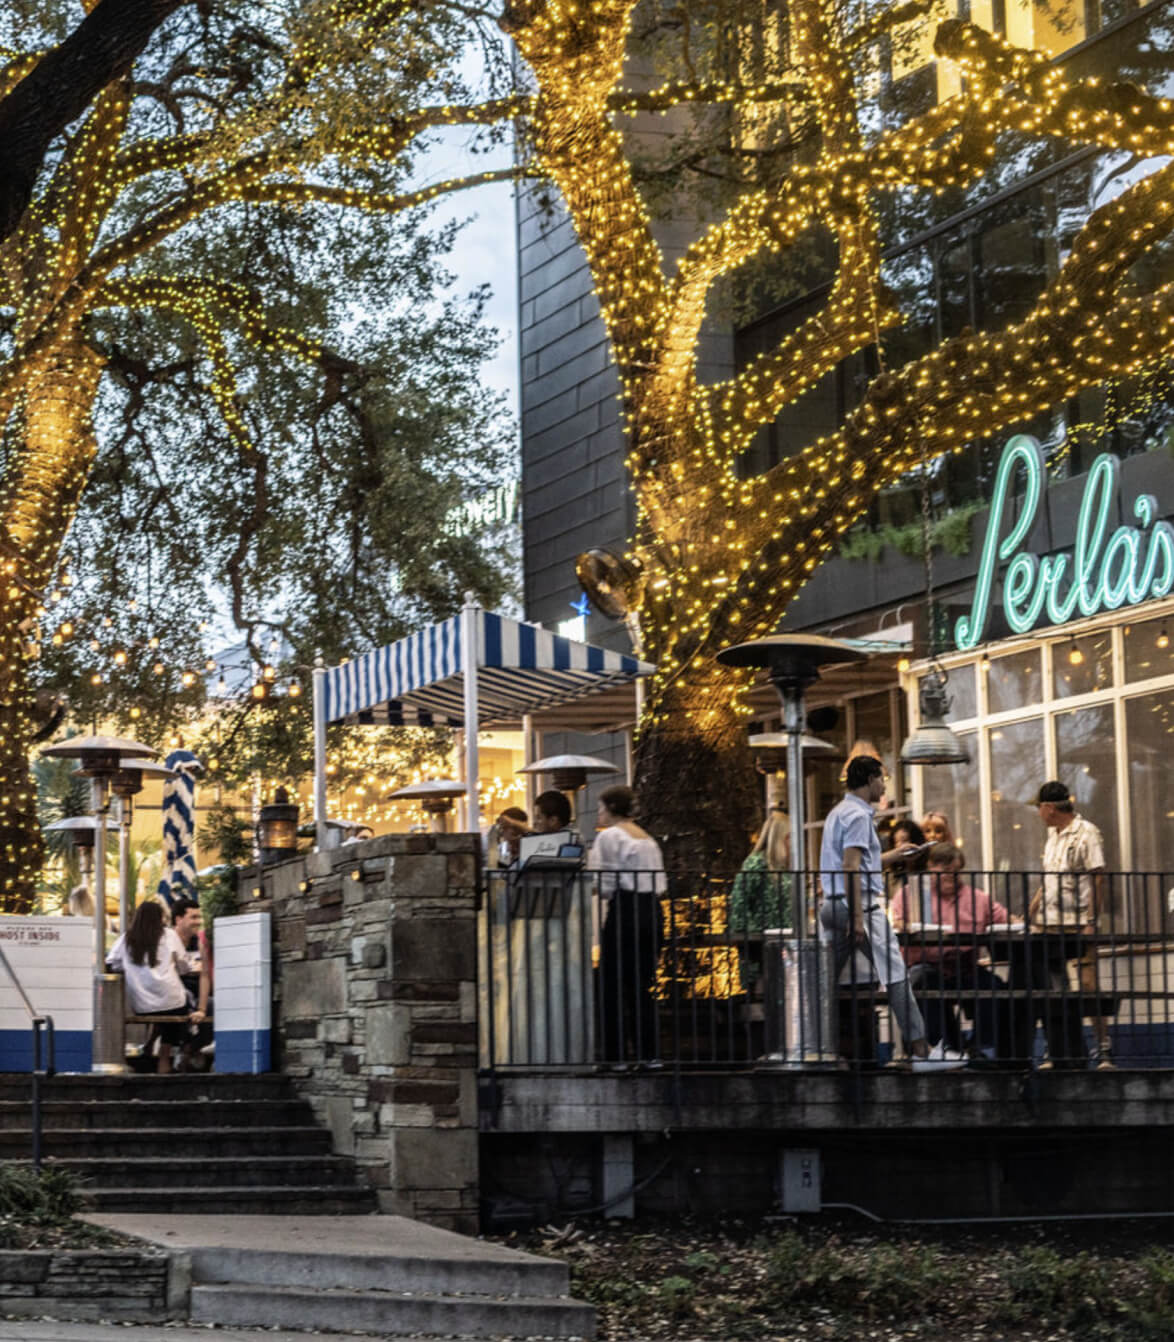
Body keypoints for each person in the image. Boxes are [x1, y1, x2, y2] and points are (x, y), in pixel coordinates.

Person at [818, 755, 965, 1071]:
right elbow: (850, 866)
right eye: (881, 779)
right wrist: (858, 917)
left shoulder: (836, 814)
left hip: (831, 905)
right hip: (859, 907)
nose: (883, 786)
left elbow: (852, 862)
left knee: (824, 980)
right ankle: (922, 1053)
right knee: (896, 974)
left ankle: (813, 1048)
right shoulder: (858, 815)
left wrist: (896, 854)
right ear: (870, 779)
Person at [890, 844, 1013, 1058]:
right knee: (924, 983)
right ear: (930, 868)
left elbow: (1006, 919)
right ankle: (941, 1049)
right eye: (945, 871)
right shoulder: (911, 894)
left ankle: (982, 1047)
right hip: (925, 966)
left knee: (994, 987)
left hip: (964, 968)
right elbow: (896, 921)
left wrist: (1022, 921)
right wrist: (901, 923)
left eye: (955, 872)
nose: (951, 877)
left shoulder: (977, 898)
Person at [1026, 780, 1109, 1068]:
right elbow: (1049, 877)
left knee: (1088, 985)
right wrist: (1032, 911)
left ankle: (1103, 1048)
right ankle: (1058, 1048)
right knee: (1053, 988)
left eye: (1039, 807)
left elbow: (1098, 876)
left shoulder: (1086, 833)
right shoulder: (1053, 836)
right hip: (1050, 924)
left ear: (1049, 808)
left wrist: (1091, 920)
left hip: (1077, 922)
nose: (1038, 812)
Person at [587, 784, 666, 1067]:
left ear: (611, 809)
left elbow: (605, 884)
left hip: (626, 909)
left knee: (612, 984)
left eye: (600, 808)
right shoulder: (647, 838)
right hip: (653, 911)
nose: (599, 813)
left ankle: (616, 1055)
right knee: (643, 985)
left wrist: (588, 885)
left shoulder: (610, 837)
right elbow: (660, 883)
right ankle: (649, 1054)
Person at [108, 901, 208, 1074]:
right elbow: (184, 967)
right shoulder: (168, 935)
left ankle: (148, 1047)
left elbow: (111, 963)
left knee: (164, 1010)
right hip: (172, 1002)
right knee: (180, 1003)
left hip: (141, 1005)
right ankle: (165, 1058)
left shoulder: (126, 938)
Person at [730, 806, 792, 935]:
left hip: (782, 939)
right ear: (780, 838)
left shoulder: (783, 868)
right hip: (760, 943)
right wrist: (757, 933)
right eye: (789, 837)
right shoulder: (756, 864)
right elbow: (739, 905)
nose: (792, 843)